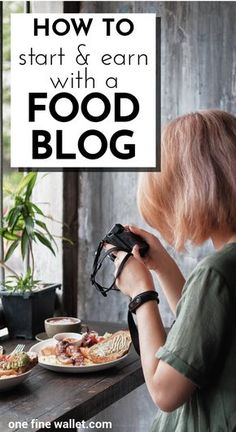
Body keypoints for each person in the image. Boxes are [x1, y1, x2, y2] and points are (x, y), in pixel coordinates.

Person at [114, 110, 236, 431]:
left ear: (190, 191)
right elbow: (204, 329)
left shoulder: (215, 272)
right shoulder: (226, 268)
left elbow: (164, 391)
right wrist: (163, 267)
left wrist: (142, 294)